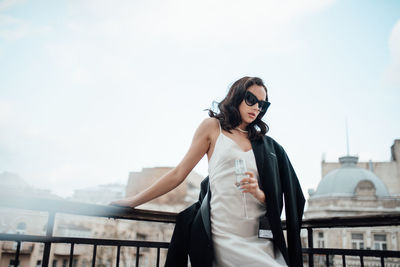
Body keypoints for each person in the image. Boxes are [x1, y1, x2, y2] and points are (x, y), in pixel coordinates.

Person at [110, 76, 305, 267]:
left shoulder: (266, 145)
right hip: (224, 234)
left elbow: (274, 199)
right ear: (236, 96)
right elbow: (178, 174)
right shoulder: (213, 128)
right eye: (251, 99)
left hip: (260, 238)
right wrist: (132, 201)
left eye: (262, 104)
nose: (256, 107)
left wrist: (258, 192)